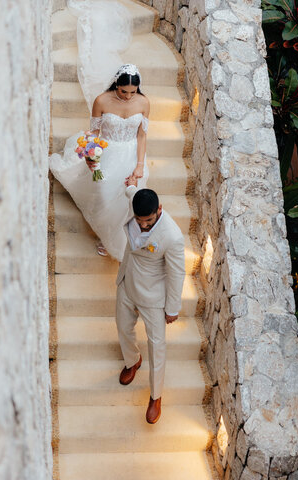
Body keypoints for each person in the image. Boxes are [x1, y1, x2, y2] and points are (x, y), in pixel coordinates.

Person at [50, 63, 150, 261]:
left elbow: (142, 136)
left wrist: (139, 164)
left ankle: (116, 238)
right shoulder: (102, 100)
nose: (128, 96)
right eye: (124, 91)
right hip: (107, 151)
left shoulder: (144, 102)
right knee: (104, 193)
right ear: (116, 85)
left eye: (133, 91)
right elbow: (94, 133)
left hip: (131, 153)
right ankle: (106, 233)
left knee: (127, 197)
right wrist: (90, 154)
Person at [116, 179, 186, 424]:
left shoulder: (173, 236)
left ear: (159, 210)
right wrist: (130, 184)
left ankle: (155, 396)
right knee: (123, 328)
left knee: (157, 346)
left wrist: (172, 308)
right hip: (127, 281)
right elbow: (130, 190)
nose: (143, 225)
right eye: (139, 221)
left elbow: (177, 273)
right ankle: (132, 361)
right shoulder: (136, 203)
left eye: (148, 221)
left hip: (154, 296)